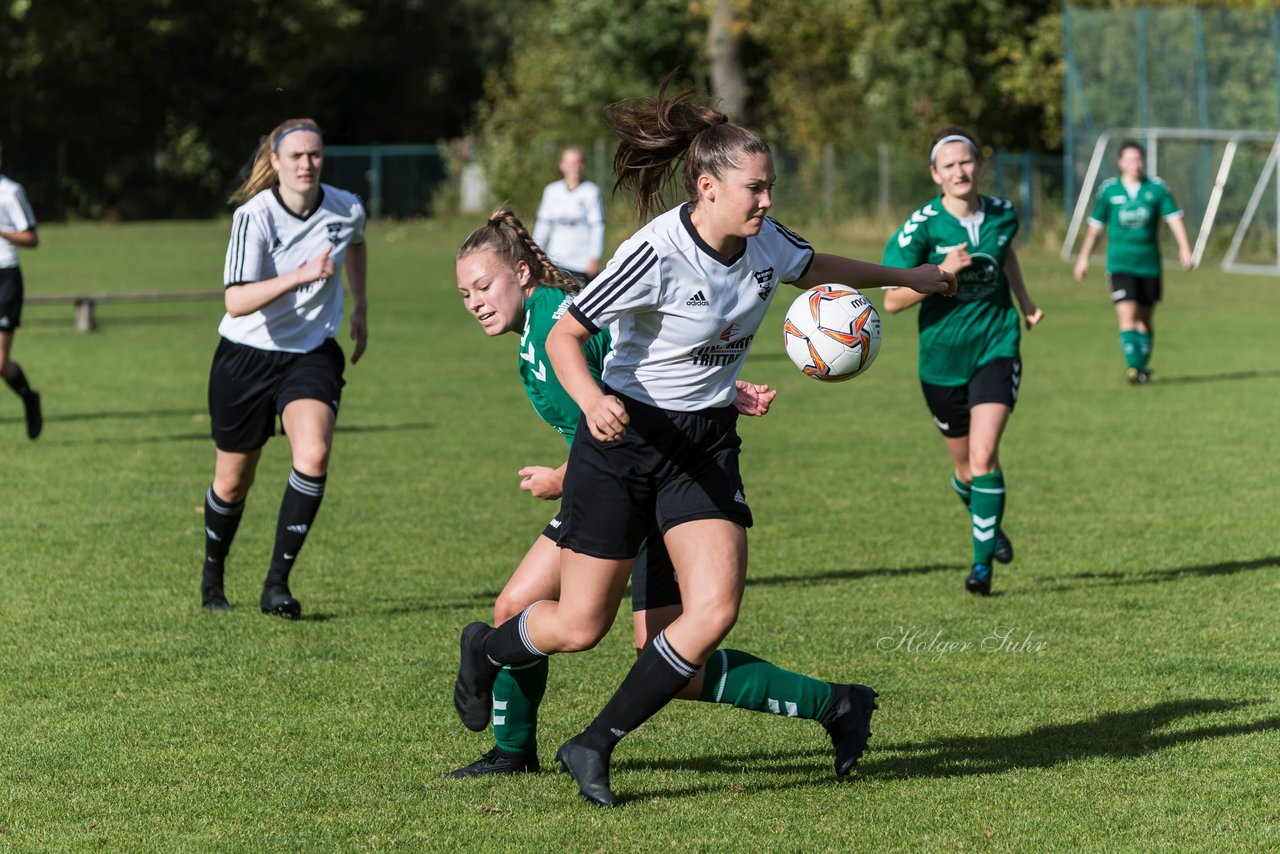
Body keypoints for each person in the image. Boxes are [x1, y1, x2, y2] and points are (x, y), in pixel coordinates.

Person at [453, 77, 955, 807]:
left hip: (703, 447)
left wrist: (906, 278)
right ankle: (488, 648)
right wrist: (593, 401)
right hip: (624, 444)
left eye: (771, 186)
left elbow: (816, 267)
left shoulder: (767, 245)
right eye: (755, 188)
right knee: (581, 625)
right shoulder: (655, 250)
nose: (767, 201)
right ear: (707, 185)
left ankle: (594, 743)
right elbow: (568, 333)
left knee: (710, 614)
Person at [450, 206, 874, 781]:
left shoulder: (556, 319)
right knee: (542, 617)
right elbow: (646, 376)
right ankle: (512, 749)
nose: (474, 301)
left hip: (639, 479)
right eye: (465, 293)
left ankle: (835, 704)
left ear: (523, 274)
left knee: (652, 651)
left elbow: (630, 387)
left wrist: (563, 474)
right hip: (621, 475)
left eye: (483, 286)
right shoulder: (534, 328)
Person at [199, 118, 368, 618]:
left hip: (312, 353)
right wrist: (300, 276)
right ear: (274, 162)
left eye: (314, 155)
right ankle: (213, 575)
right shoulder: (254, 216)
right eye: (295, 156)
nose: (306, 164)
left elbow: (356, 241)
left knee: (312, 455)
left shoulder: (346, 206)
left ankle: (277, 585)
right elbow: (235, 300)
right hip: (245, 358)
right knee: (232, 481)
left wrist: (360, 306)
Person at [881, 126, 1043, 597]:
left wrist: (1026, 302)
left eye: (967, 161)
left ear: (979, 165)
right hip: (940, 358)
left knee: (983, 455)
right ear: (936, 174)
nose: (960, 171)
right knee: (966, 471)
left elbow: (1005, 253)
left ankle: (980, 568)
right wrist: (944, 272)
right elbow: (891, 301)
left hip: (996, 344)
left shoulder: (1003, 213)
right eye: (949, 165)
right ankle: (987, 525)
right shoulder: (922, 227)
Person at [1073, 140, 1193, 384]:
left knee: (1145, 321)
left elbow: (1173, 219)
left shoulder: (1157, 189)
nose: (1134, 165)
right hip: (1120, 263)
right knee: (1127, 315)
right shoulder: (1109, 191)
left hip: (1149, 264)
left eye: (1138, 159)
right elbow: (1095, 228)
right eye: (1129, 160)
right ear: (1120, 163)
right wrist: (1083, 258)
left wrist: (1184, 248)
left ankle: (1140, 367)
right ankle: (1134, 369)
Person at [0, 145, 43, 440]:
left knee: (0, 363)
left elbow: (31, 237)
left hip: (5, 277)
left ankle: (29, 397)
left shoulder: (10, 191)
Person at [532, 147, 605, 282]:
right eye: (569, 163)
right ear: (562, 165)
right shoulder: (551, 191)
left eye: (578, 162)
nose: (574, 167)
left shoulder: (591, 192)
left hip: (582, 263)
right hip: (555, 262)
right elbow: (543, 225)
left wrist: (595, 257)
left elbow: (597, 227)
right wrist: (536, 253)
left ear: (583, 165)